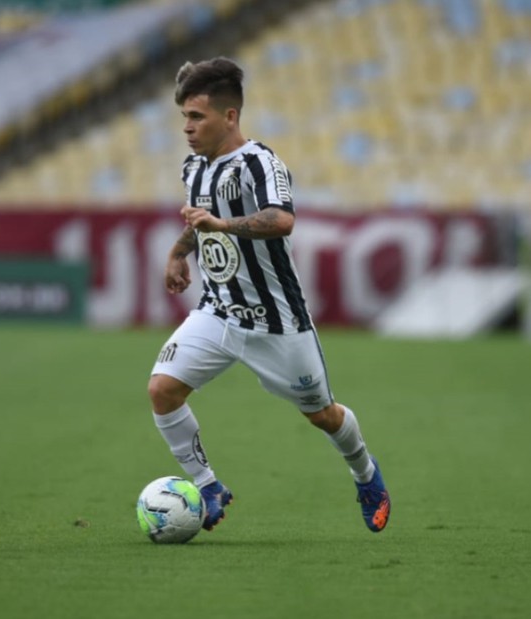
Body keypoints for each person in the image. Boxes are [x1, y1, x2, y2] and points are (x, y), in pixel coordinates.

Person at [146, 58, 390, 533]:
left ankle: (366, 475)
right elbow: (202, 219)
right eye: (184, 119)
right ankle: (208, 485)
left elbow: (281, 220)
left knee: (322, 414)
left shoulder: (261, 162)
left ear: (230, 116)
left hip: (277, 322)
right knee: (162, 389)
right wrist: (180, 252)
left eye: (197, 117)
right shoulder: (194, 166)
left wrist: (222, 225)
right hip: (218, 310)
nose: (187, 129)